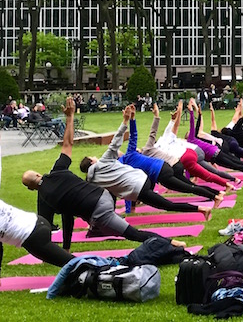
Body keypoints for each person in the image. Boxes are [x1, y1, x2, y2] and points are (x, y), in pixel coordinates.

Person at [21, 98, 185, 250]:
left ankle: (171, 243)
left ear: (30, 189)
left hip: (97, 211)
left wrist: (66, 248)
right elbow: (67, 144)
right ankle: (99, 228)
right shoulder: (57, 170)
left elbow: (57, 223)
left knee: (133, 234)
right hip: (105, 196)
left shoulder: (44, 199)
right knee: (105, 223)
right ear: (38, 174)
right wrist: (70, 117)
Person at [78, 105, 213, 219]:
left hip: (142, 184)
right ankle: (203, 208)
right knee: (174, 198)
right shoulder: (112, 160)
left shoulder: (95, 180)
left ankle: (205, 204)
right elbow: (120, 141)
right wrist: (128, 120)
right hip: (145, 180)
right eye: (93, 157)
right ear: (91, 162)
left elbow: (115, 189)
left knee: (172, 201)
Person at [120, 104, 224, 204]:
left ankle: (215, 196)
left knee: (189, 187)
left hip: (172, 167)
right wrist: (165, 118)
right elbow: (159, 132)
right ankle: (217, 193)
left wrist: (158, 117)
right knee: (189, 186)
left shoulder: (147, 150)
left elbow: (154, 132)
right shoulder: (156, 146)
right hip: (175, 164)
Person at [1, 132, 75, 267]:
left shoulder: (45, 192)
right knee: (72, 264)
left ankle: (110, 271)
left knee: (74, 264)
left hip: (32, 235)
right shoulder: (46, 189)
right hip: (37, 225)